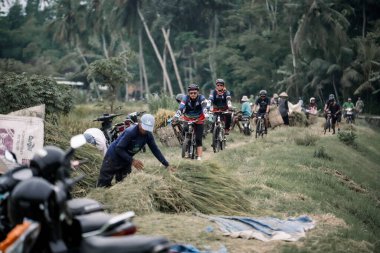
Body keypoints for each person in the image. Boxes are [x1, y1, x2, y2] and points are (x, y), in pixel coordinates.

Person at [97, 114, 173, 188]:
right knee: (103, 185)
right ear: (140, 123)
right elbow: (118, 148)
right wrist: (132, 160)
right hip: (113, 157)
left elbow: (155, 150)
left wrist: (166, 164)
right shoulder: (130, 132)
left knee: (123, 184)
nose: (145, 130)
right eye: (144, 127)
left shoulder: (148, 135)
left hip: (126, 159)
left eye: (147, 128)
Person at [174, 84, 207, 160]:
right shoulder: (185, 98)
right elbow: (181, 107)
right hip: (188, 118)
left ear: (198, 92)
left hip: (199, 119)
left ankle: (199, 156)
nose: (193, 95)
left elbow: (204, 106)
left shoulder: (201, 98)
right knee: (184, 131)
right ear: (188, 93)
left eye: (195, 93)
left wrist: (206, 114)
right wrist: (176, 116)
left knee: (198, 139)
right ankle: (186, 145)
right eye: (191, 93)